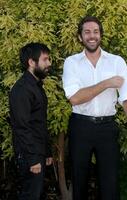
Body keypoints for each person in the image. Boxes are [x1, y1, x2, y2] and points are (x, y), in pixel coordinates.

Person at [62, 16, 127, 200]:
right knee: (79, 181)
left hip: (107, 129)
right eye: (87, 32)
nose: (91, 36)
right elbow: (75, 98)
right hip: (81, 127)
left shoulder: (116, 62)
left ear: (100, 35)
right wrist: (107, 83)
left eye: (95, 31)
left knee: (110, 184)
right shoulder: (71, 62)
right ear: (80, 37)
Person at [9, 42, 53, 200]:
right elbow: (21, 127)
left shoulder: (36, 86)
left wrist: (46, 151)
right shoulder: (22, 90)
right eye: (45, 59)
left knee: (36, 194)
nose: (49, 63)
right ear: (31, 62)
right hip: (29, 155)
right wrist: (33, 159)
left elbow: (39, 123)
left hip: (37, 152)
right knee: (30, 196)